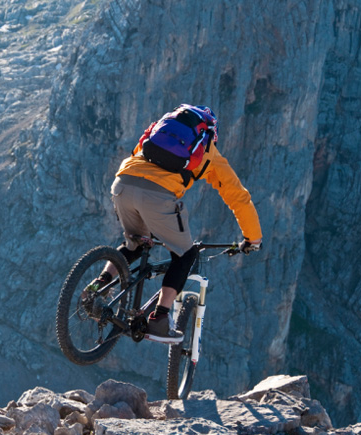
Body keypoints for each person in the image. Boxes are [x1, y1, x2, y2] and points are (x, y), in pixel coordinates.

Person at [90, 104, 262, 342]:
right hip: (158, 196)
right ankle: (159, 318)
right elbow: (238, 198)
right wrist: (252, 238)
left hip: (122, 184)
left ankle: (98, 286)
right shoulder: (208, 150)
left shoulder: (157, 130)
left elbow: (137, 155)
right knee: (185, 255)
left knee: (135, 244)